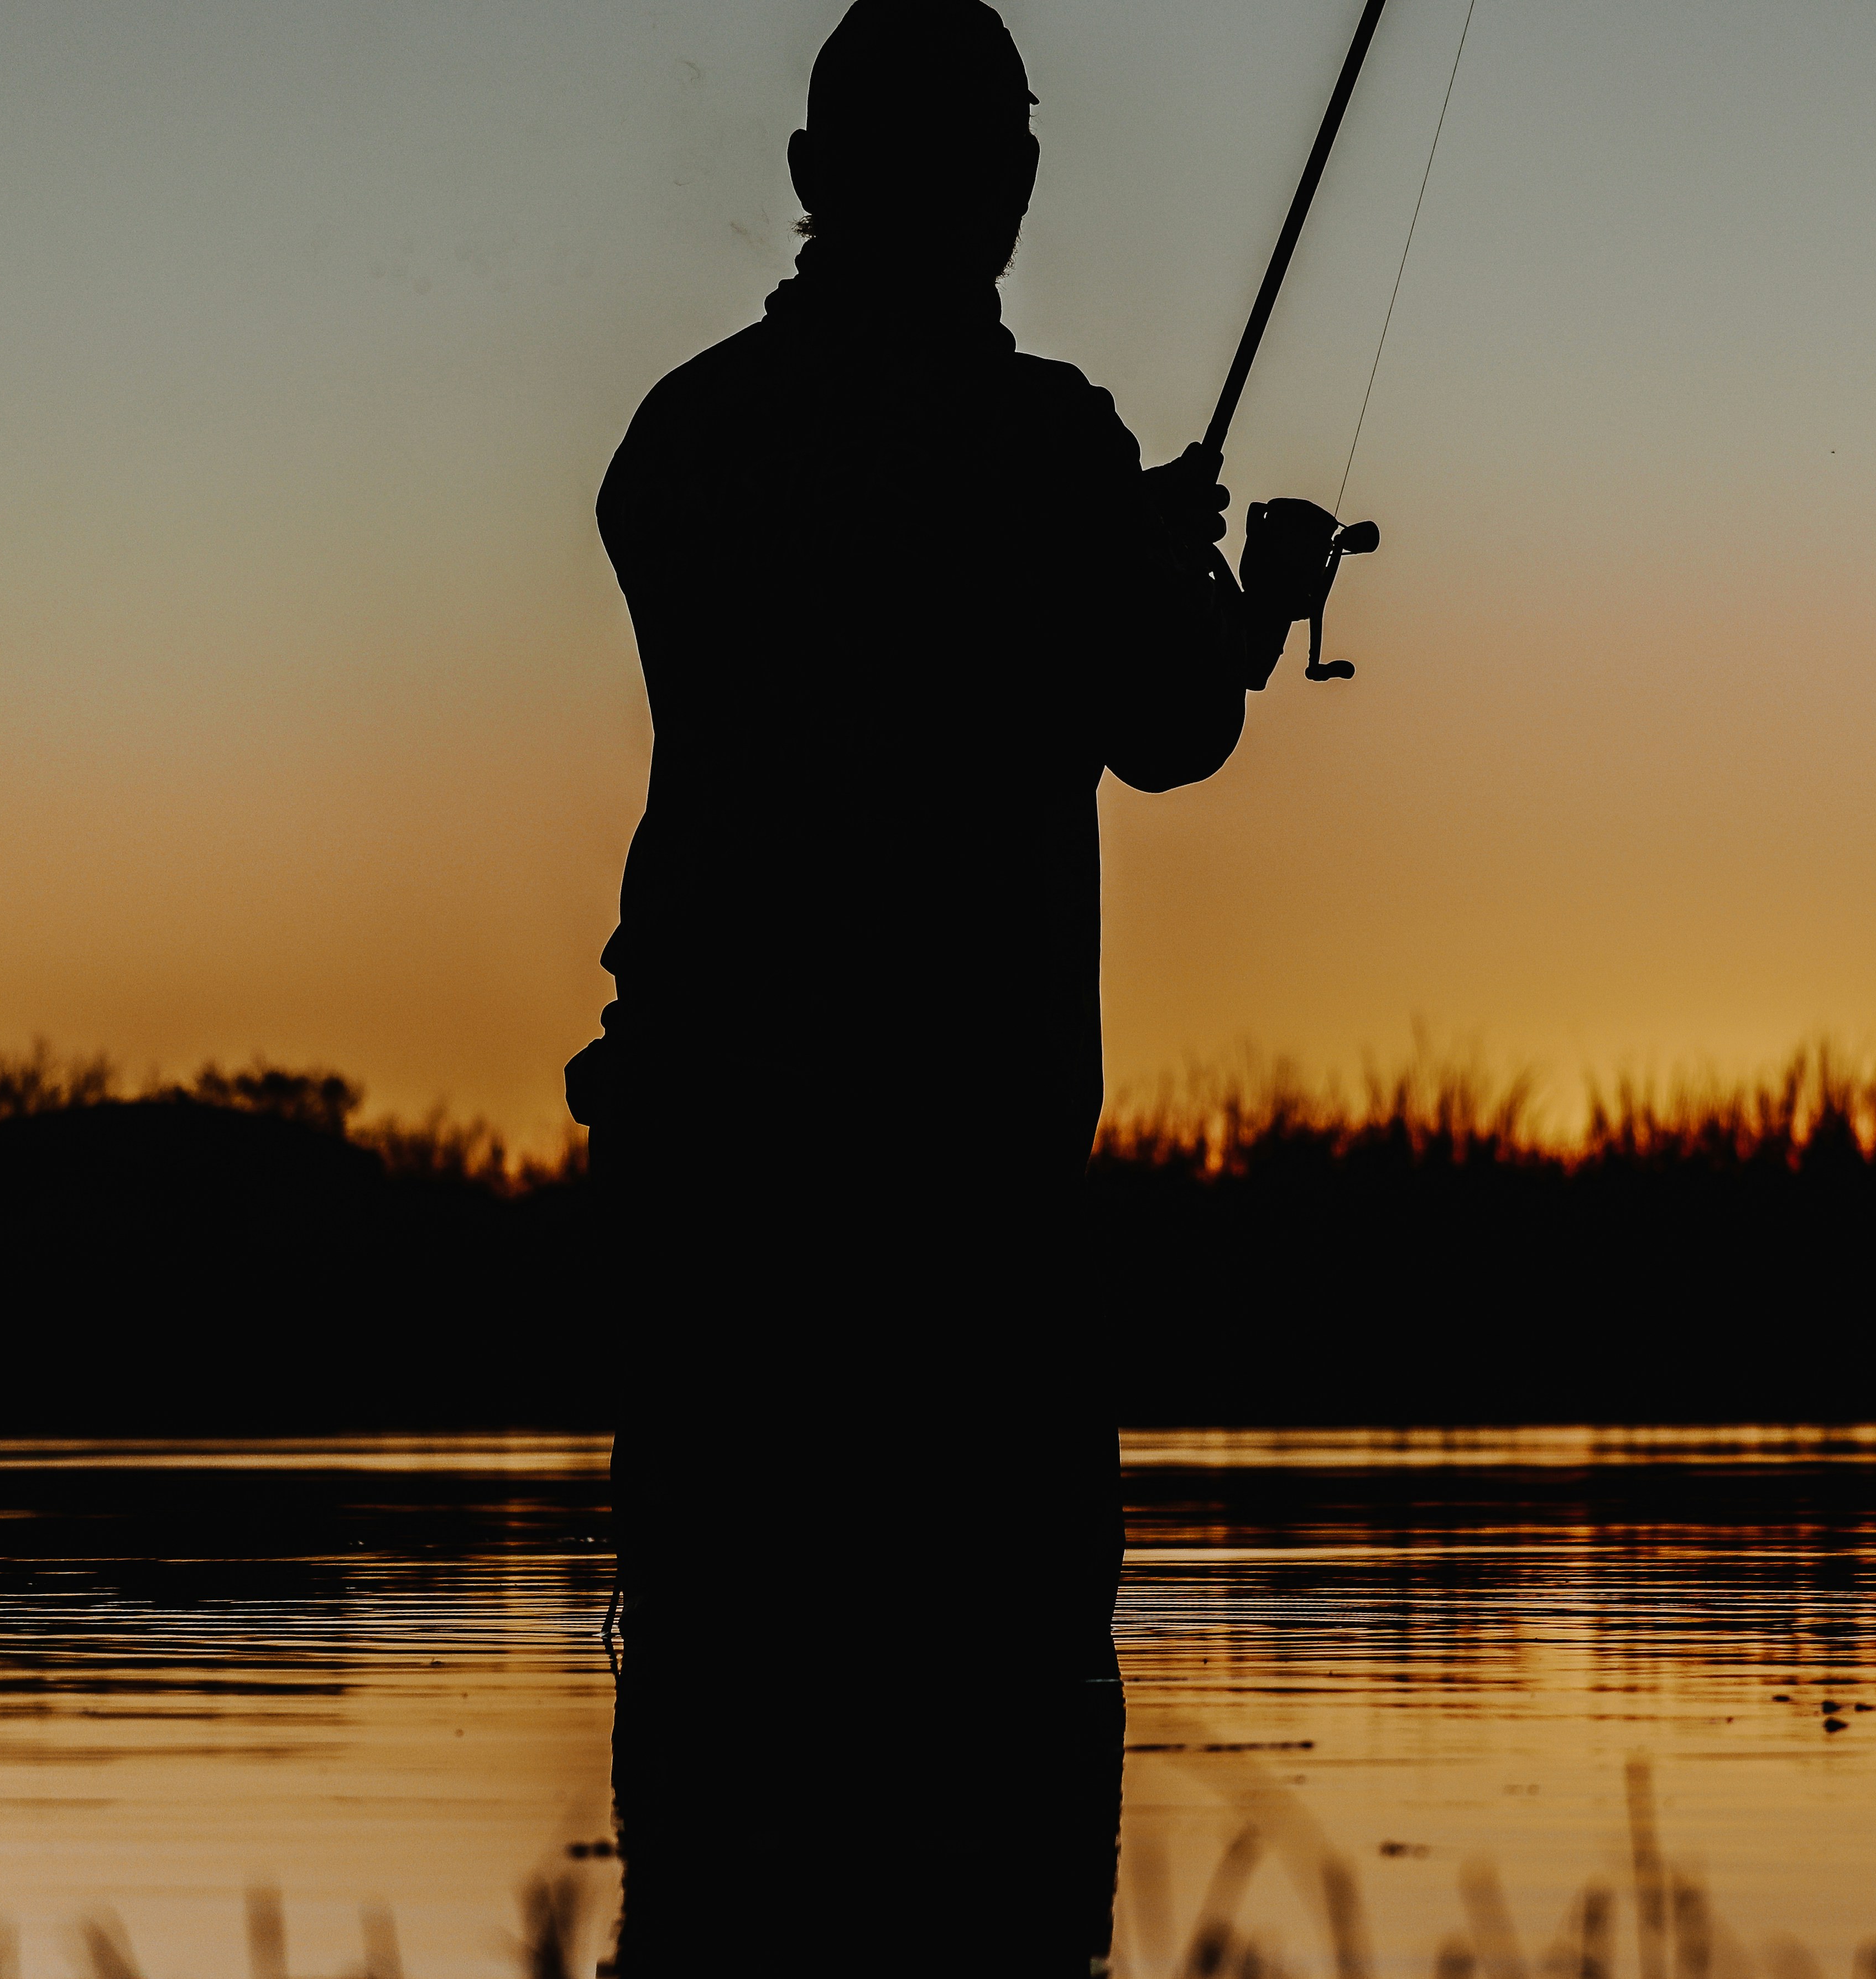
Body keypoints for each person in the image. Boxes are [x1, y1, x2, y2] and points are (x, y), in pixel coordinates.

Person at [575, 3, 1322, 1967]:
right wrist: (1230, 596)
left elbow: (909, 615)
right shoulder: (1038, 445)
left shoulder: (682, 440)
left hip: (710, 1179)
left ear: (819, 183)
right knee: (1004, 1742)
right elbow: (1164, 724)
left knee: (720, 1739)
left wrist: (1122, 560)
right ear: (1005, 186)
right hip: (960, 1222)